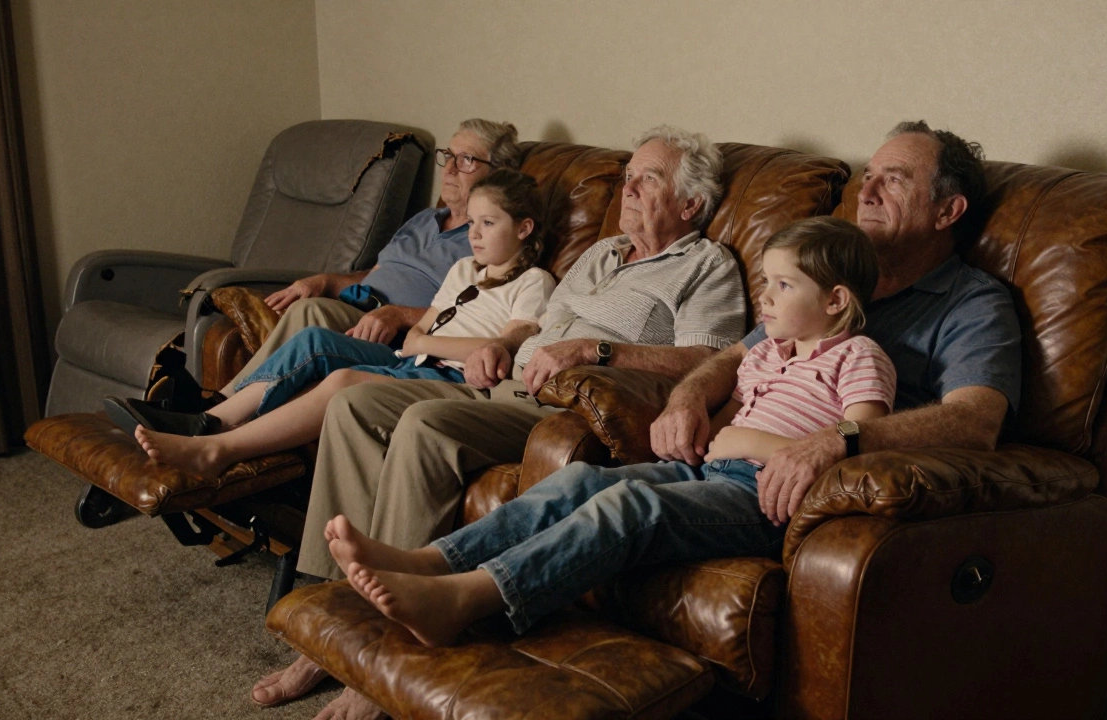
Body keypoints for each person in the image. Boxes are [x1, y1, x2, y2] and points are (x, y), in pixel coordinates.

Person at [250, 125, 747, 714]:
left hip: (567, 404)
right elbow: (536, 324)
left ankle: (379, 654)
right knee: (353, 405)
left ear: (690, 204)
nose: (629, 187)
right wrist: (503, 345)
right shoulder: (602, 252)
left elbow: (708, 358)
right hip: (504, 380)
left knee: (426, 426)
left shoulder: (706, 265)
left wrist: (597, 350)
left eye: (649, 178)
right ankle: (332, 620)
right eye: (628, 175)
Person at [322, 216, 896, 645]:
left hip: (761, 499)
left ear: (836, 300)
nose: (764, 297)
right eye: (765, 282)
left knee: (630, 506)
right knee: (579, 482)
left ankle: (467, 599)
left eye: (783, 286)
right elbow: (730, 419)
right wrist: (701, 435)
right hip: (706, 473)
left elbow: (859, 443)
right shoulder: (767, 352)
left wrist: (749, 444)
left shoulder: (858, 356)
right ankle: (432, 561)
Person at [652, 121, 1022, 528]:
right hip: (720, 462)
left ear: (947, 211)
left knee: (633, 512)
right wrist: (687, 397)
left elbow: (976, 421)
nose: (865, 193)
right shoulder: (828, 276)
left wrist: (839, 438)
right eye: (868, 177)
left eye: (893, 181)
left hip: (799, 488)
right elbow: (739, 357)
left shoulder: (974, 303)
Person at [122, 169, 555, 479]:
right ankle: (207, 420)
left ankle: (218, 449)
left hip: (447, 374)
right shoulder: (463, 269)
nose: (474, 234)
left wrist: (430, 344)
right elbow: (417, 334)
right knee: (313, 339)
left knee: (343, 380)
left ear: (524, 228)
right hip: (411, 355)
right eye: (472, 223)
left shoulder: (534, 282)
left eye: (488, 223)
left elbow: (502, 347)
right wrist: (425, 342)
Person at [151, 119, 521, 418]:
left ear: (499, 173)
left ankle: (217, 406)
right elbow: (372, 274)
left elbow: (472, 313)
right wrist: (326, 281)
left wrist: (398, 315)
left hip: (391, 331)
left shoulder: (485, 241)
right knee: (308, 301)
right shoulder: (424, 219)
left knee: (310, 313)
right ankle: (218, 406)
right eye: (448, 156)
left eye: (466, 160)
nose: (450, 168)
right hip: (359, 304)